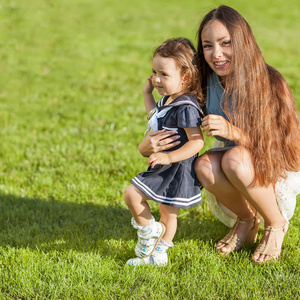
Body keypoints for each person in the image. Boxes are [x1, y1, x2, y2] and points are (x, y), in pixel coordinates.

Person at [138, 5, 300, 263]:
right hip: (237, 158)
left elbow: (285, 146)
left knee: (233, 159)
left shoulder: (268, 81)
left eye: (226, 43)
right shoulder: (206, 81)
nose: (217, 54)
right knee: (204, 165)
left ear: (243, 43)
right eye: (208, 45)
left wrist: (232, 131)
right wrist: (150, 145)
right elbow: (178, 123)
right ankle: (247, 219)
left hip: (272, 162)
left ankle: (276, 223)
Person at [124, 38, 204, 266]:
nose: (156, 79)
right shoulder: (169, 99)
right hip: (164, 165)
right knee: (164, 211)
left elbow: (197, 142)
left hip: (175, 168)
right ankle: (154, 248)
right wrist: (146, 95)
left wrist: (169, 157)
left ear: (186, 77)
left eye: (164, 74)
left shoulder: (186, 107)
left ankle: (153, 239)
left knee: (137, 196)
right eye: (154, 72)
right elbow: (154, 117)